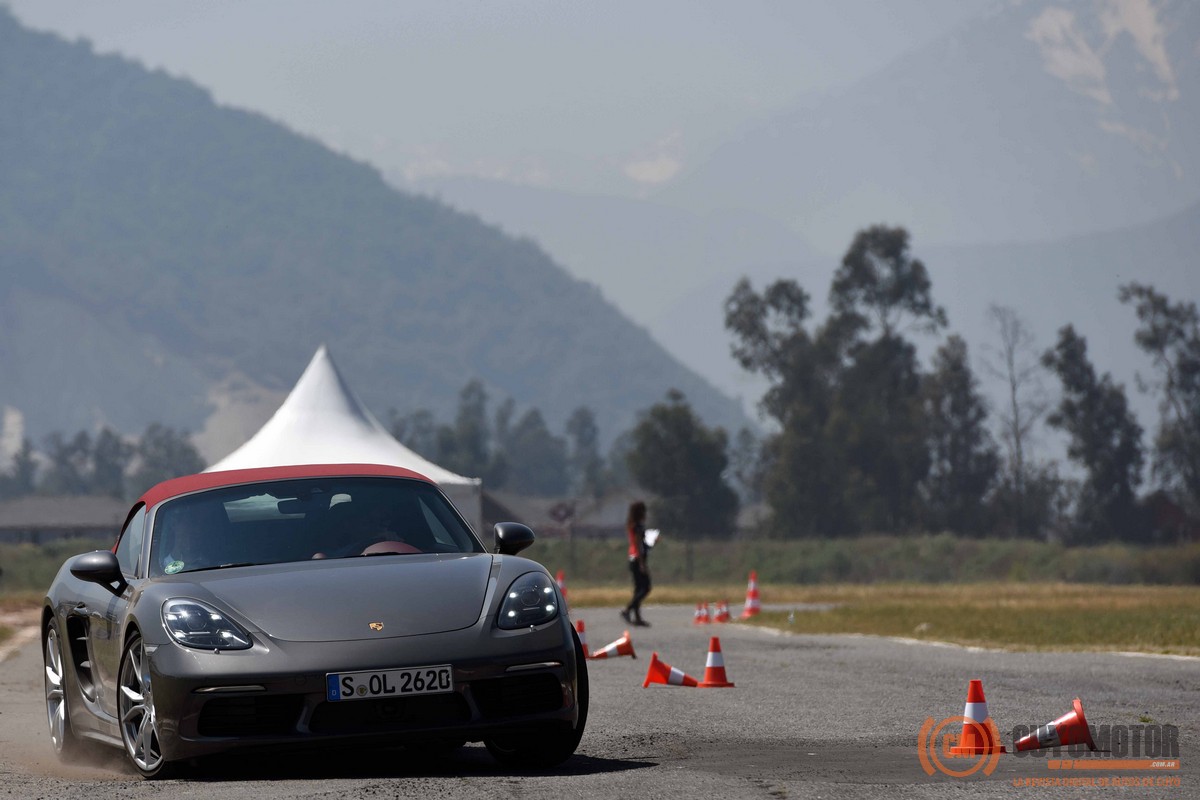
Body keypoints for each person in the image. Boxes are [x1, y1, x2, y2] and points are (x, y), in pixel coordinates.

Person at [620, 500, 652, 627]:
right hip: (637, 559)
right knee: (646, 587)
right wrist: (642, 563)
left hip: (634, 558)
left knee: (638, 588)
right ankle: (627, 610)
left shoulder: (632, 525)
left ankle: (637, 617)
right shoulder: (637, 526)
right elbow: (638, 545)